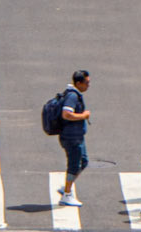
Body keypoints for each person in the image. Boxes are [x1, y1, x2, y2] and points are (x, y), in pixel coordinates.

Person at [55, 70, 91, 208]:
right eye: (86, 83)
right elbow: (66, 114)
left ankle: (66, 186)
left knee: (84, 161)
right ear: (78, 83)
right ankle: (67, 194)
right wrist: (84, 116)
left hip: (76, 136)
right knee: (74, 165)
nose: (88, 85)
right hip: (71, 137)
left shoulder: (74, 95)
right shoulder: (72, 97)